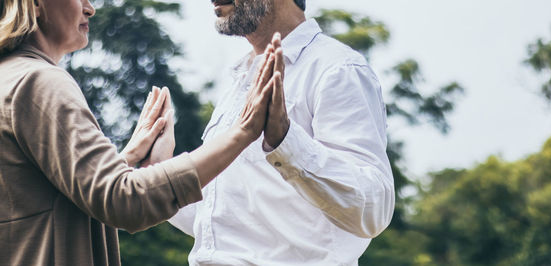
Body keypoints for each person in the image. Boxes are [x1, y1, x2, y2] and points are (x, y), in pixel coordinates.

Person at [0, 0, 280, 265]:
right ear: (35, 3)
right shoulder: (38, 81)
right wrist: (243, 132)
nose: (90, 9)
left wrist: (126, 159)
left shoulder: (8, 78)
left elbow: (41, 205)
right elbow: (123, 200)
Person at [169, 0, 395, 264]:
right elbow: (223, 220)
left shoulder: (338, 70)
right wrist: (159, 172)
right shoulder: (237, 82)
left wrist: (286, 141)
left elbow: (373, 210)